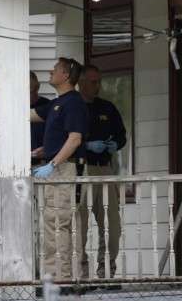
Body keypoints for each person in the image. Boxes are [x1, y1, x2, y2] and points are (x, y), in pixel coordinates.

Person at [31, 57, 88, 279]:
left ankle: (66, 277)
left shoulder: (73, 102)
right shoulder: (57, 104)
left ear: (65, 75)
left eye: (54, 69)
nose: (50, 71)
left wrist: (53, 163)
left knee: (62, 222)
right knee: (51, 223)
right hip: (54, 167)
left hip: (65, 170)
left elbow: (75, 139)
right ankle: (53, 277)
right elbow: (28, 115)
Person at [78, 64, 127, 278]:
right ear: (81, 82)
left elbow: (122, 134)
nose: (97, 86)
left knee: (111, 223)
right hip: (82, 169)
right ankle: (81, 269)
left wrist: (115, 144)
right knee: (79, 223)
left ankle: (106, 268)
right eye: (92, 81)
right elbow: (63, 139)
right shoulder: (74, 106)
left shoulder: (107, 107)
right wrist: (87, 145)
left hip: (105, 168)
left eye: (99, 81)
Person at [30, 71, 52, 165]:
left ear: (38, 87)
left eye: (32, 90)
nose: (31, 94)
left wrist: (47, 149)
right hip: (20, 162)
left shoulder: (48, 105)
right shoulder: (15, 107)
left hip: (44, 161)